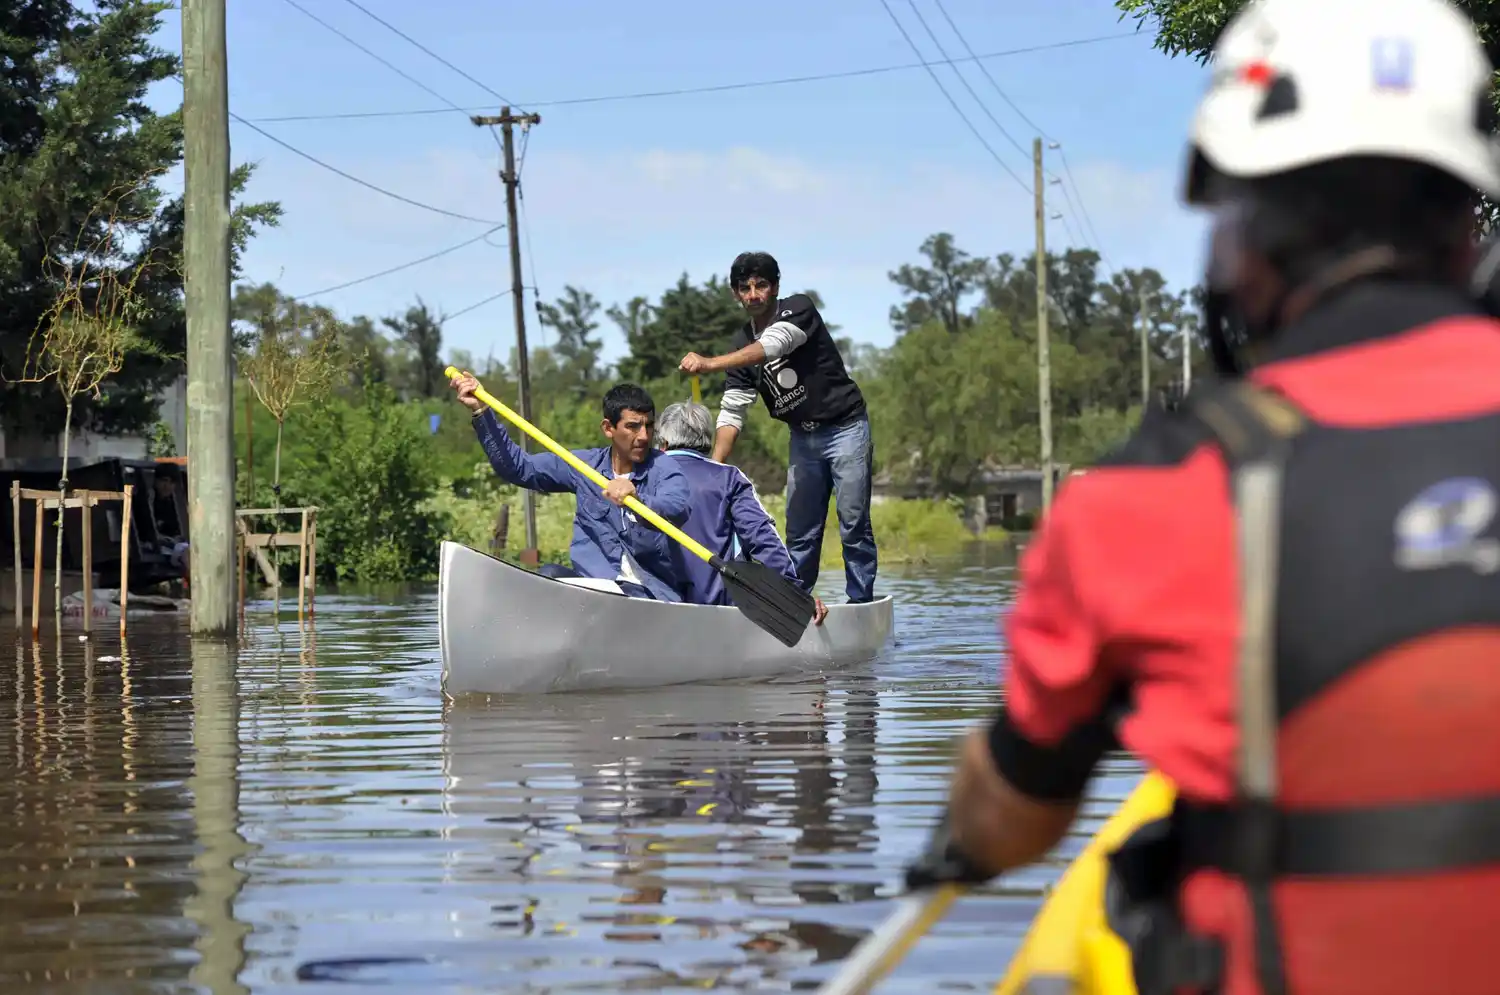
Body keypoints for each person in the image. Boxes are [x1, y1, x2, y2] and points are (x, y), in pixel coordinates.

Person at [917, 2, 1500, 994]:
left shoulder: (1153, 495)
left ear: (1247, 234)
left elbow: (1011, 820)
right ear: (1464, 222)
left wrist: (965, 831)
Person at [678, 251, 877, 604]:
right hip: (803, 437)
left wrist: (709, 364)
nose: (753, 294)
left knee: (853, 524)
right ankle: (794, 604)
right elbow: (733, 411)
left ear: (775, 287)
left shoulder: (798, 309)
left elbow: (772, 345)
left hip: (845, 429)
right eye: (745, 288)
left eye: (761, 286)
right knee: (800, 532)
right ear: (736, 294)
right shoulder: (739, 344)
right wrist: (713, 468)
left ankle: (860, 604)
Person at [448, 371, 690, 602]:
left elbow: (677, 508)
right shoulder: (583, 466)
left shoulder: (664, 467)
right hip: (594, 589)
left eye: (649, 426)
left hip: (649, 595)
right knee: (548, 574)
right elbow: (520, 468)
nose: (644, 436)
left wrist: (638, 500)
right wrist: (481, 411)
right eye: (633, 426)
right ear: (608, 428)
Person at [654, 400, 825, 621]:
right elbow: (762, 538)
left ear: (663, 443)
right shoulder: (729, 478)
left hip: (655, 604)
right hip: (718, 607)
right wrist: (796, 592)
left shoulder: (637, 480)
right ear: (707, 441)